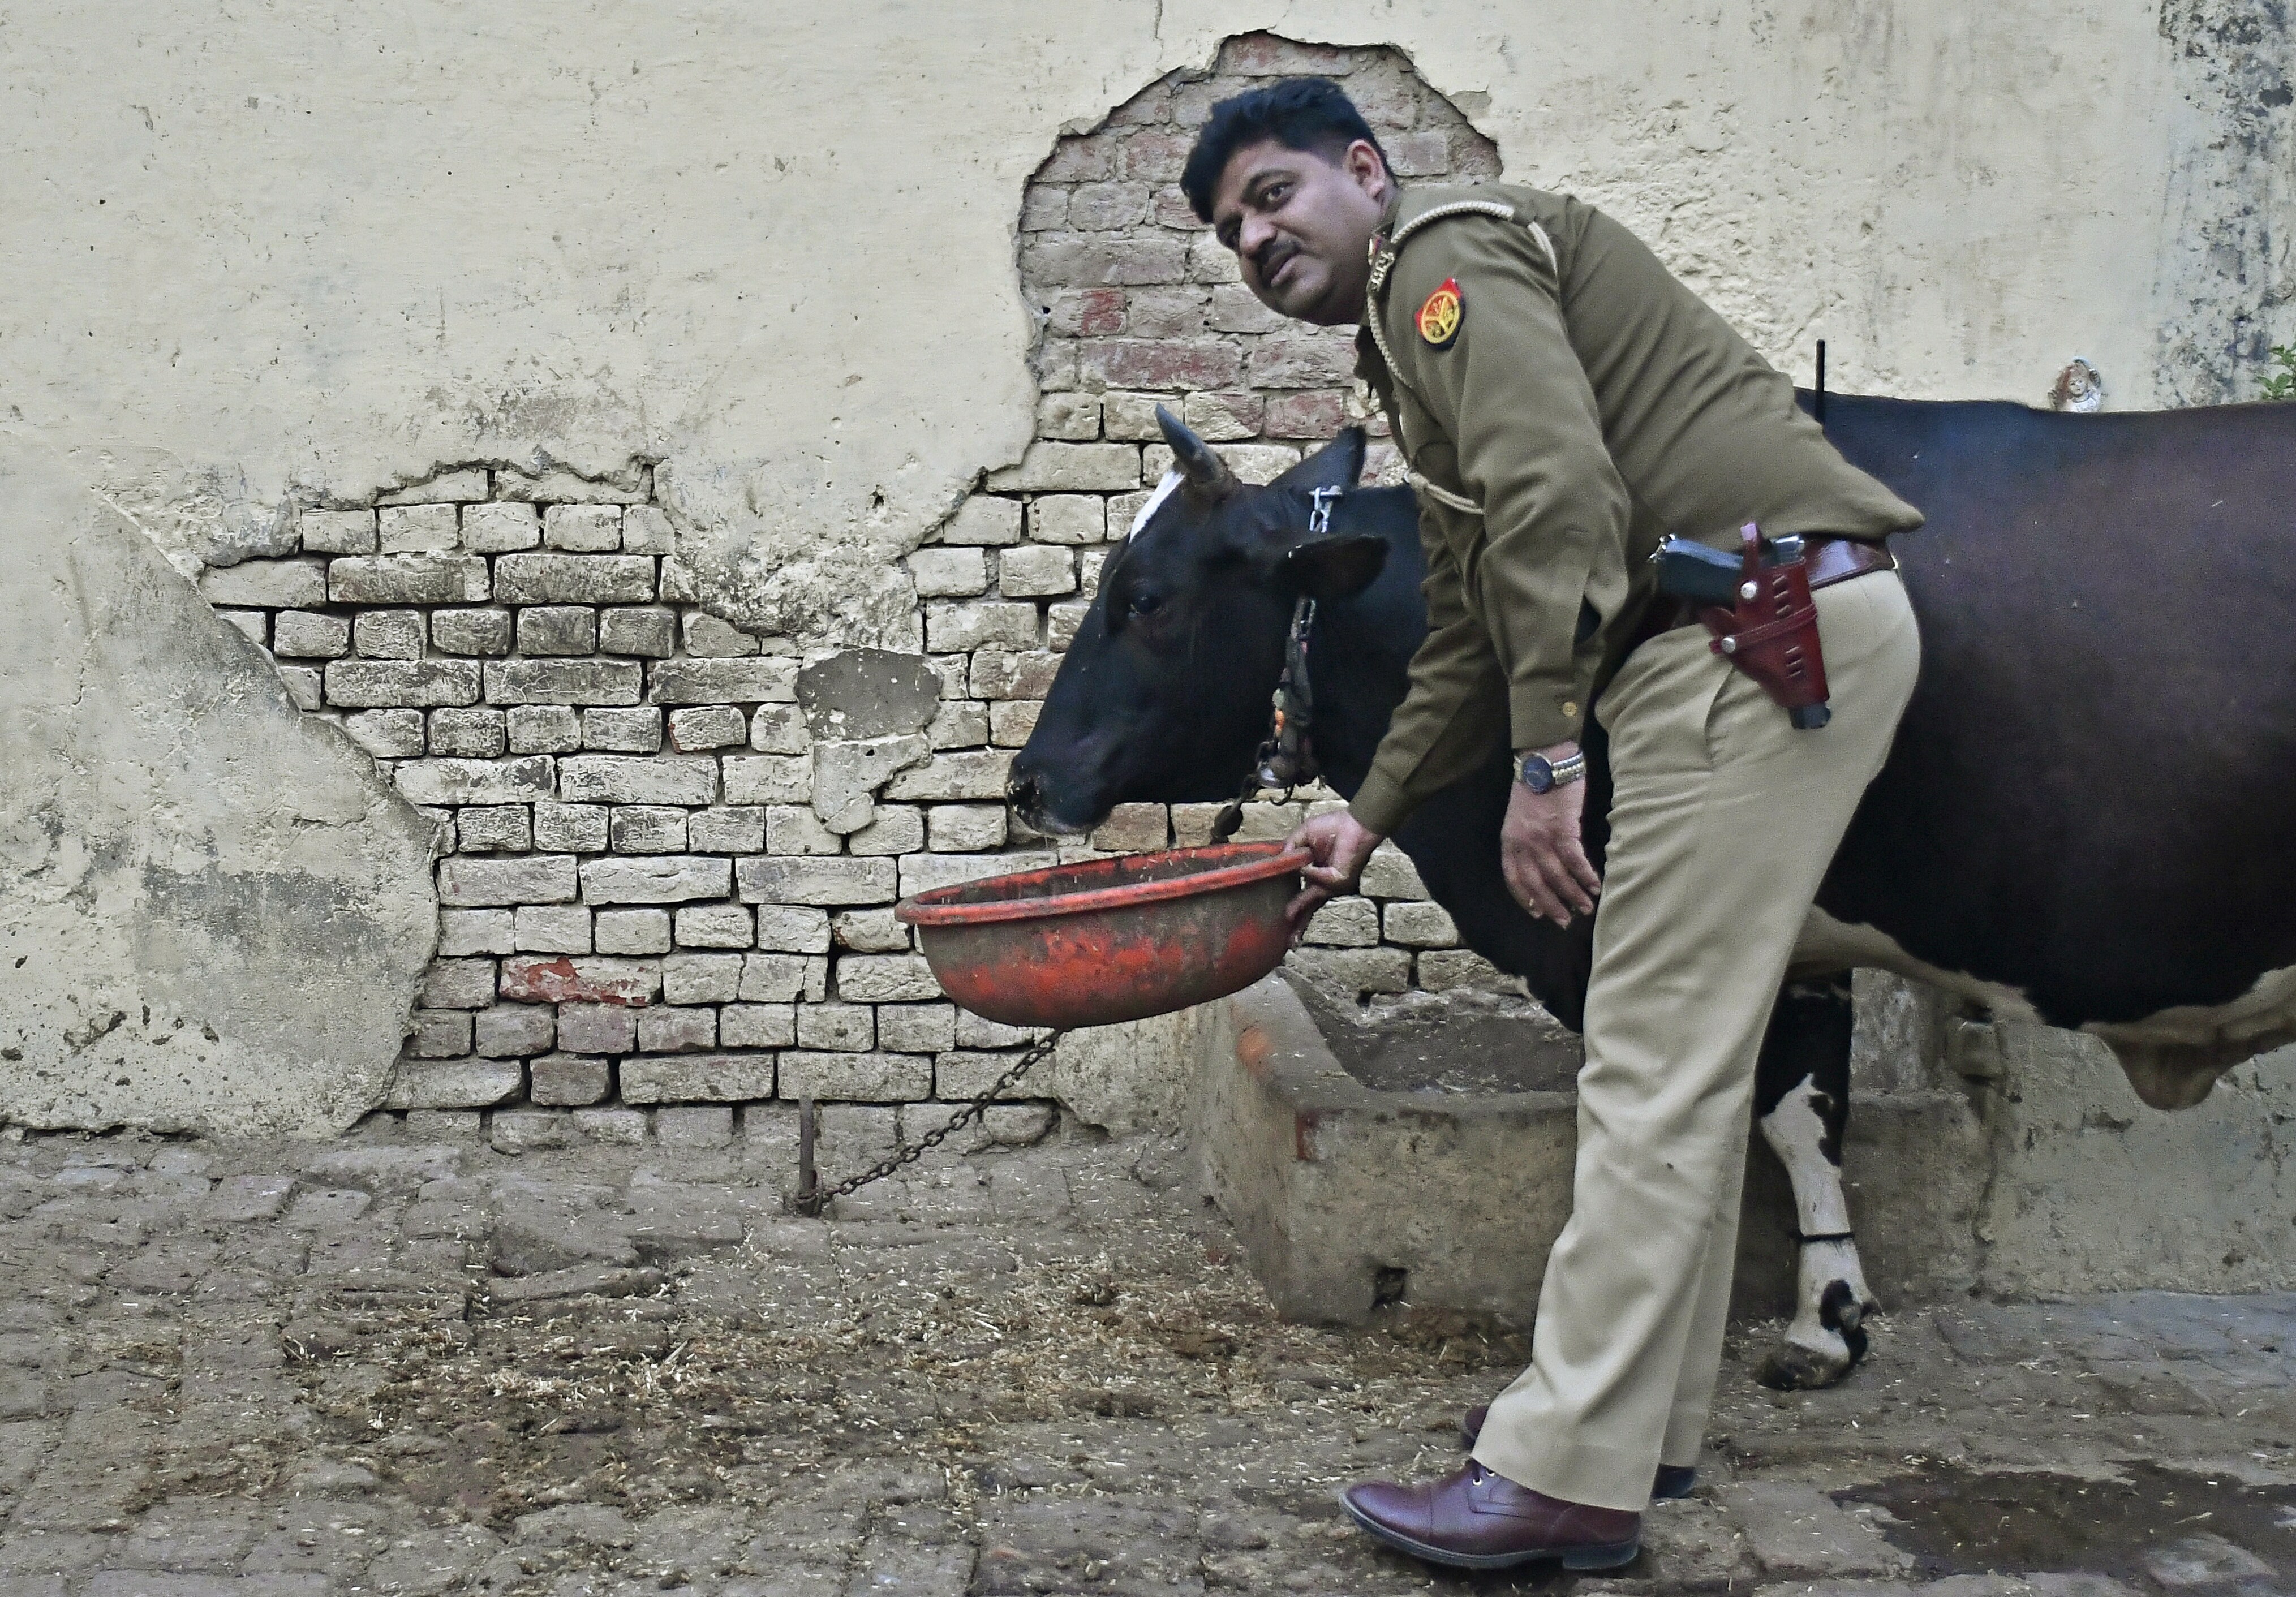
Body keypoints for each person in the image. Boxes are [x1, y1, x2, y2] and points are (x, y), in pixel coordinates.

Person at [1179, 78, 1925, 1572]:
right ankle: (1631, 1438)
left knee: (1647, 1063)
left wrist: (1544, 767)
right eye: (1228, 233)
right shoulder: (1413, 344)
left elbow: (1561, 495)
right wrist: (1368, 818)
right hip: (1734, 642)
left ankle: (1564, 1475)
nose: (1253, 240)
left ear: (1364, 172)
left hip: (1744, 644)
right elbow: (1472, 618)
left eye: (1271, 195)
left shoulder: (1443, 260)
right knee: (1678, 1068)